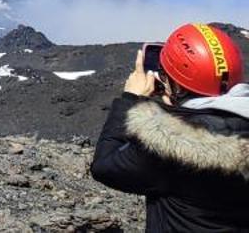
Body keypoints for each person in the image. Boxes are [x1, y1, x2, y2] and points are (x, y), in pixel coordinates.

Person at [90, 22, 249, 232]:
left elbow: (104, 166)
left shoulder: (170, 144)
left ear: (178, 86)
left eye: (165, 75)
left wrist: (130, 99)